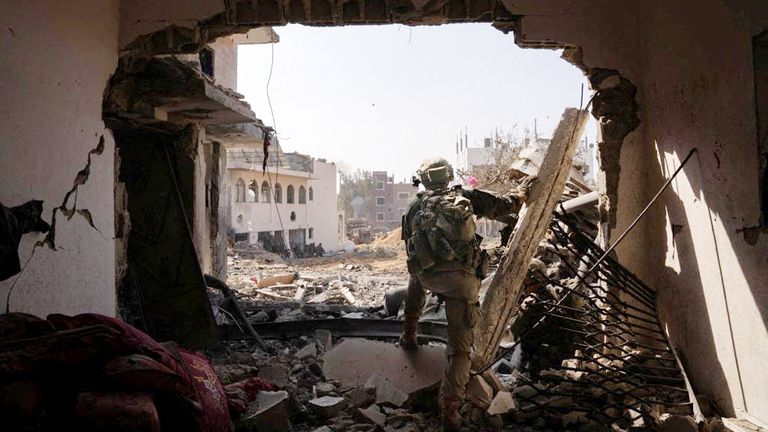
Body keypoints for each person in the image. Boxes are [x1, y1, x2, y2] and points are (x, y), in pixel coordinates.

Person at [400, 157, 534, 431]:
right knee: (460, 349)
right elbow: (504, 205)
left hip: (426, 274)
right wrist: (523, 193)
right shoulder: (466, 197)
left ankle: (409, 334)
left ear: (424, 180)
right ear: (448, 176)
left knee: (415, 282)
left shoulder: (414, 207)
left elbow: (410, 248)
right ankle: (450, 410)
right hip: (461, 282)